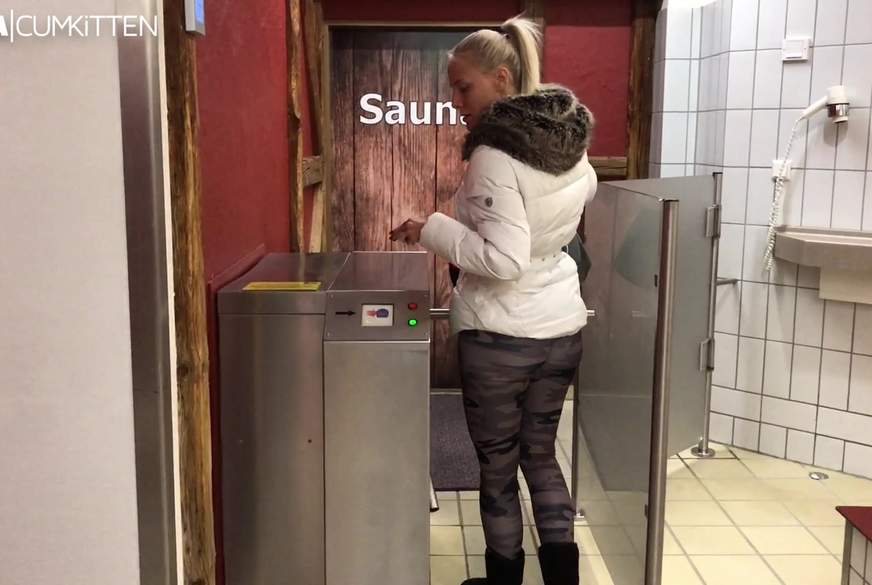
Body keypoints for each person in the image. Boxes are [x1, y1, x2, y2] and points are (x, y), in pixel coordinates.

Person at [390, 14, 596, 585]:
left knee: (499, 472)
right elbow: (568, 215)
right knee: (541, 456)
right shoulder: (569, 145)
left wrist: (432, 228)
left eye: (464, 88)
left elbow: (504, 261)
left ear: (502, 79)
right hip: (561, 327)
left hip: (501, 337)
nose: (456, 102)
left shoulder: (494, 156)